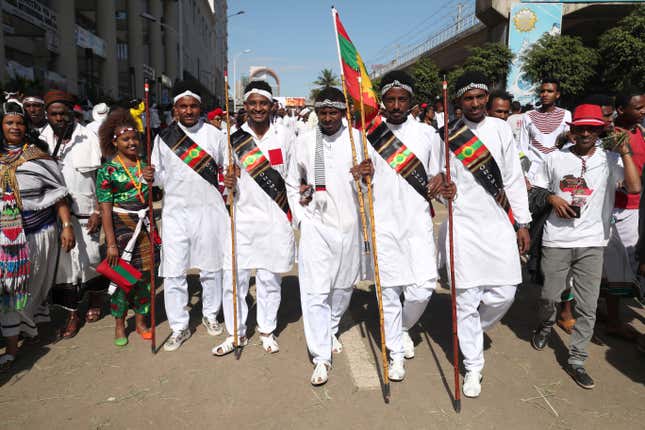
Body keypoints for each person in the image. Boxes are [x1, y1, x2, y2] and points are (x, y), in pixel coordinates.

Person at [531, 104, 640, 389]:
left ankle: (577, 359)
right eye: (581, 127)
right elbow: (535, 187)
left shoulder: (611, 159)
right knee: (549, 296)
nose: (586, 133)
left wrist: (625, 151)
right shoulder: (554, 158)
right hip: (557, 239)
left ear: (600, 130)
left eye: (592, 128)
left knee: (588, 306)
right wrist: (552, 199)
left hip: (593, 241)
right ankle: (545, 324)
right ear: (572, 130)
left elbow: (635, 188)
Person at [353, 70, 453, 381]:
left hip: (417, 222)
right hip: (382, 223)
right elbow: (361, 185)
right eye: (390, 100)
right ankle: (395, 351)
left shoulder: (427, 134)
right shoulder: (369, 136)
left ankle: (402, 329)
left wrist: (440, 180)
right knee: (388, 290)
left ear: (411, 102)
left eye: (402, 100)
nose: (396, 105)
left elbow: (439, 175)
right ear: (382, 103)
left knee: (422, 289)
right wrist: (361, 175)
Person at [441, 71, 531, 398]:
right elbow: (439, 181)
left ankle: (472, 332)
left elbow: (513, 178)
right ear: (459, 102)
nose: (476, 103)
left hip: (497, 225)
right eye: (469, 98)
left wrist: (522, 222)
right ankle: (473, 366)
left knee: (505, 292)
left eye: (481, 97)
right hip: (462, 224)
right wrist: (443, 192)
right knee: (465, 299)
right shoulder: (448, 134)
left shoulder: (501, 129)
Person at [213, 80, 295, 356]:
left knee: (269, 278)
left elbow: (294, 176)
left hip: (274, 217)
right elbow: (225, 177)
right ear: (245, 106)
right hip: (242, 217)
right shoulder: (233, 137)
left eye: (263, 103)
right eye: (252, 103)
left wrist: (294, 213)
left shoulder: (285, 135)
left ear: (271, 106)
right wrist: (227, 181)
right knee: (234, 278)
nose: (258, 108)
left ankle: (266, 330)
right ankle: (236, 333)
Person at [286, 87, 362, 385]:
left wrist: (365, 177)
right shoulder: (305, 141)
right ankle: (321, 356)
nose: (328, 117)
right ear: (316, 113)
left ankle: (330, 327)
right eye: (323, 112)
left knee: (344, 286)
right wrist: (302, 221)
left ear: (343, 112)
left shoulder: (358, 141)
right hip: (316, 225)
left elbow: (371, 189)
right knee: (316, 291)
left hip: (350, 225)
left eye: (333, 112)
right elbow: (293, 184)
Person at [151, 80, 230, 351]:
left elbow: (228, 166)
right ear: (175, 110)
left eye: (193, 106)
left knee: (211, 268)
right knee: (173, 272)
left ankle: (210, 315)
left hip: (209, 211)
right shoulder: (163, 137)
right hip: (175, 213)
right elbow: (159, 177)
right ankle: (179, 326)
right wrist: (151, 177)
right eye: (183, 106)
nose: (188, 111)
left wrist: (231, 177)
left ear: (200, 108)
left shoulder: (215, 135)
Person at [0, 100, 74, 369]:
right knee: (10, 291)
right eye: (9, 122)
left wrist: (66, 226)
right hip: (5, 238)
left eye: (19, 122)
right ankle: (13, 341)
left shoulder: (37, 158)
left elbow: (59, 195)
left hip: (37, 233)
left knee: (30, 288)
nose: (15, 127)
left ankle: (25, 329)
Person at [40, 90, 105, 338]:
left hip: (87, 212)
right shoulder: (40, 140)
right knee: (63, 268)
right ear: (48, 115)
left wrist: (99, 209)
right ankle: (71, 315)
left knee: (90, 259)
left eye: (63, 113)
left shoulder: (88, 137)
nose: (59, 118)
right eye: (54, 114)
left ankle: (96, 300)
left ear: (71, 114)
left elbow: (100, 177)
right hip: (54, 216)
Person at [96, 109, 157, 346]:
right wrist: (110, 243)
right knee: (122, 278)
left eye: (135, 138)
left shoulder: (146, 165)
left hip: (146, 226)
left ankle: (141, 321)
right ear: (114, 142)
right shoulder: (108, 169)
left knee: (146, 277)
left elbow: (156, 194)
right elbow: (105, 209)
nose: (132, 143)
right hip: (122, 226)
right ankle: (120, 324)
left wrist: (154, 181)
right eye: (125, 139)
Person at [519, 78, 574, 330]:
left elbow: (570, 147)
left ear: (558, 93)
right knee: (537, 232)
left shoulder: (567, 115)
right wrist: (524, 180)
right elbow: (521, 151)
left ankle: (563, 305)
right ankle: (539, 280)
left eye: (550, 91)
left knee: (562, 234)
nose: (544, 94)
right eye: (541, 90)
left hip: (560, 181)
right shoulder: (528, 116)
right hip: (535, 184)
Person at [600, 91, 645, 340]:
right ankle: (613, 319)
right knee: (616, 264)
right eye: (637, 108)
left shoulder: (641, 132)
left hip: (637, 206)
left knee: (629, 261)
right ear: (621, 109)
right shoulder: (610, 135)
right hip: (615, 208)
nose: (643, 112)